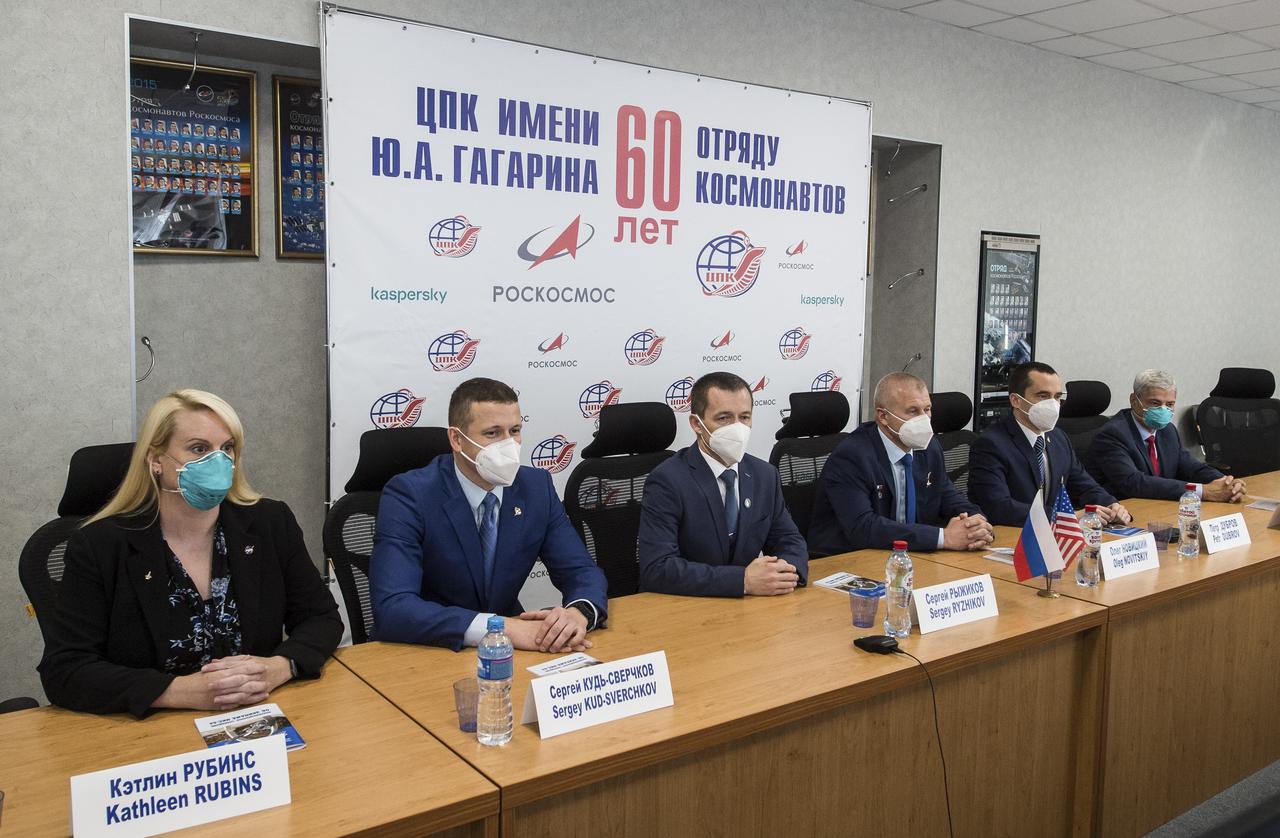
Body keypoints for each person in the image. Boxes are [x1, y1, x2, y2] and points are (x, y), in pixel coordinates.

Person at [38, 390, 342, 718]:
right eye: (199, 449)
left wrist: (279, 667)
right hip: (152, 731)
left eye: (227, 448)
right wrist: (176, 691)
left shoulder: (268, 523)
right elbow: (66, 670)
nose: (218, 461)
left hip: (257, 714)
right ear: (156, 460)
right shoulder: (100, 545)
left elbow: (320, 618)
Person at [371, 378, 608, 652]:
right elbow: (393, 607)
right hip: (427, 649)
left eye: (515, 430)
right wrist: (500, 628)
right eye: (493, 433)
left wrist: (578, 613)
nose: (509, 445)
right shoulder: (409, 495)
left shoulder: (536, 487)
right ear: (457, 439)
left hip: (511, 651)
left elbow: (580, 570)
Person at [638, 372, 808, 597]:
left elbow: (789, 540)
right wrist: (742, 582)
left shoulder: (765, 475)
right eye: (724, 418)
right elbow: (657, 568)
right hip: (685, 609)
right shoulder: (668, 480)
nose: (737, 428)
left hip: (751, 609)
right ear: (696, 424)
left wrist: (783, 574)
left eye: (745, 417)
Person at [808, 373, 993, 555]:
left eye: (927, 409)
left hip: (908, 555)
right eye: (913, 411)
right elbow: (863, 527)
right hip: (850, 558)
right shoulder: (852, 456)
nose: (924, 419)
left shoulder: (929, 446)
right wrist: (945, 537)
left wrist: (977, 524)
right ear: (883, 416)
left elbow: (946, 494)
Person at [970, 362, 1131, 527]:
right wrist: (1066, 518)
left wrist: (1111, 505)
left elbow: (1084, 486)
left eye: (1057, 397)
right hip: (1012, 534)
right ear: (1016, 400)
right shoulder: (990, 444)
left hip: (1052, 536)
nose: (1053, 404)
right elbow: (999, 507)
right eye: (1043, 396)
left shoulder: (1059, 438)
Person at [1085, 369, 1245, 502]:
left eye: (1169, 404)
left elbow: (1190, 467)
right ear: (1134, 401)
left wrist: (1225, 482)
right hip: (1123, 511)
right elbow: (1134, 483)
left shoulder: (1168, 430)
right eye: (1155, 403)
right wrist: (1204, 491)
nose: (1163, 410)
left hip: (1160, 507)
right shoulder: (1112, 434)